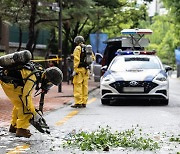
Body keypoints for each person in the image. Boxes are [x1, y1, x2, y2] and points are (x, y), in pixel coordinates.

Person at [0, 51, 63, 138]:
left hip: (11, 80)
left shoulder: (40, 70)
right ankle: (21, 129)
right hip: (9, 82)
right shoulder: (33, 78)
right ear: (46, 77)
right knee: (24, 105)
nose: (49, 85)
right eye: (50, 83)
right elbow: (26, 96)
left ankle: (14, 126)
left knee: (19, 103)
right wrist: (34, 113)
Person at [71, 36, 94, 108]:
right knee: (85, 86)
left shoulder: (78, 48)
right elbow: (93, 58)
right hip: (86, 70)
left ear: (77, 42)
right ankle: (84, 102)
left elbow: (76, 59)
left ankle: (78, 102)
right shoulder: (87, 48)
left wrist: (75, 69)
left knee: (78, 85)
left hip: (79, 69)